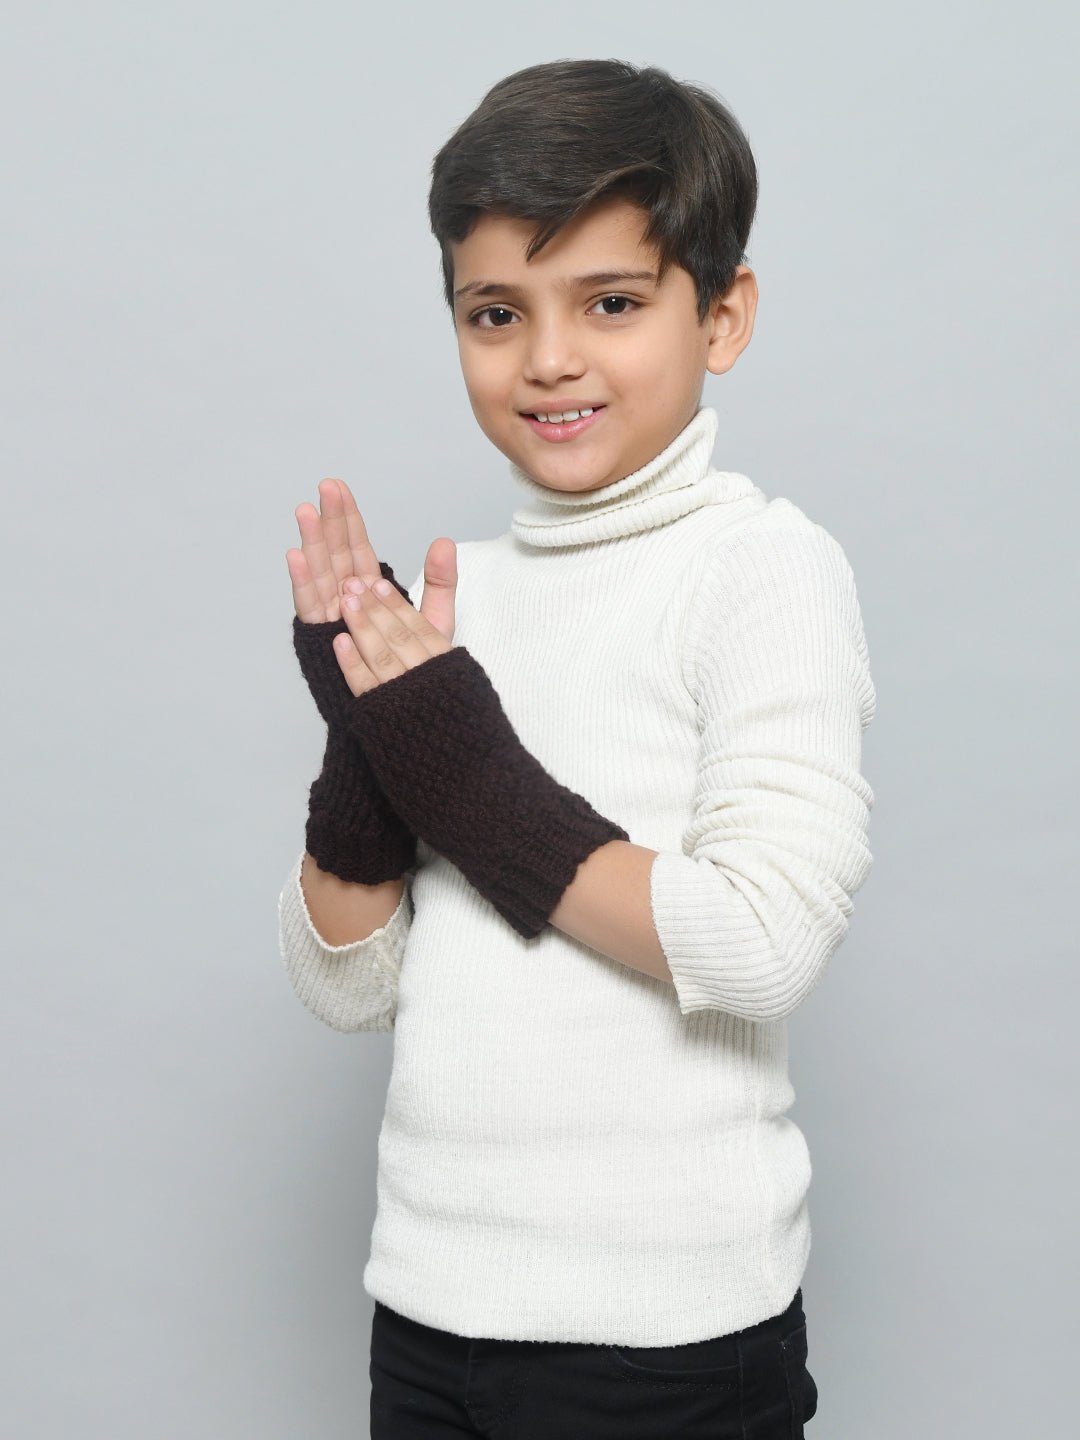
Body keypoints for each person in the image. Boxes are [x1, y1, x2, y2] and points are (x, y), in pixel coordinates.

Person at [278, 58, 875, 1439]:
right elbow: (343, 985)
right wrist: (364, 746)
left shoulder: (760, 568)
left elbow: (763, 941)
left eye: (611, 302)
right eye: (497, 312)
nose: (548, 358)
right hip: (427, 1312)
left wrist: (465, 771)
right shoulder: (456, 599)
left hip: (664, 1337)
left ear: (721, 315)